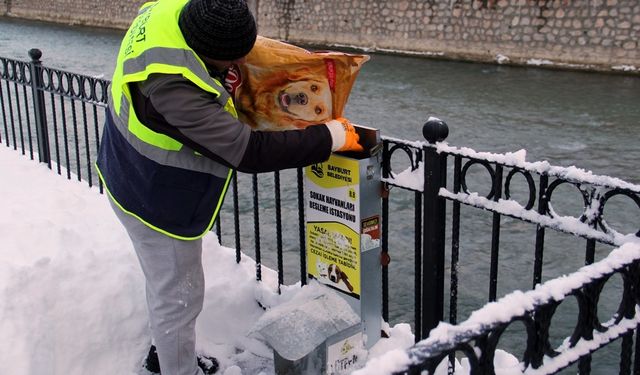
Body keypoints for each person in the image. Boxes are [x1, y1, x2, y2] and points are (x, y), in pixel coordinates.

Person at [95, 0, 362, 374]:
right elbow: (250, 152)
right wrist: (330, 136)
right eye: (230, 63)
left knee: (165, 287)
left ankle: (169, 353)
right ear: (207, 53)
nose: (236, 67)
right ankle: (175, 367)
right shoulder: (172, 90)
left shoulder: (177, 12)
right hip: (152, 197)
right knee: (178, 298)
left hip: (126, 165)